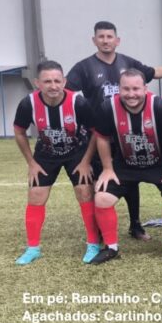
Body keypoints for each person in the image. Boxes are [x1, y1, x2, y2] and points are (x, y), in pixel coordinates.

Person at [66, 21, 162, 241]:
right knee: (103, 180)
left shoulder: (128, 63)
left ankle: (135, 225)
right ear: (94, 40)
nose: (105, 41)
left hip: (128, 134)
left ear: (117, 40)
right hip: (101, 134)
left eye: (109, 37)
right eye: (101, 37)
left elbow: (153, 72)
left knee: (131, 178)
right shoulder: (83, 67)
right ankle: (101, 231)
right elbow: (67, 95)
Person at [90, 69, 162, 264]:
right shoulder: (108, 107)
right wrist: (107, 169)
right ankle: (111, 247)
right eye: (126, 89)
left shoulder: (160, 107)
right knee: (102, 198)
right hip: (125, 164)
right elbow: (102, 139)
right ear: (119, 89)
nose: (131, 94)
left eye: (136, 89)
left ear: (145, 88)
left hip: (158, 163)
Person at [13, 61, 99, 265]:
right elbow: (19, 131)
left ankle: (93, 244)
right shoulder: (28, 104)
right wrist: (31, 163)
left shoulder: (78, 102)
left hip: (77, 152)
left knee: (85, 192)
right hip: (45, 154)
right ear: (37, 83)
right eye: (47, 81)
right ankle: (33, 248)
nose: (53, 86)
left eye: (57, 81)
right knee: (35, 195)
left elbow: (96, 132)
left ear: (64, 82)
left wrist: (86, 161)